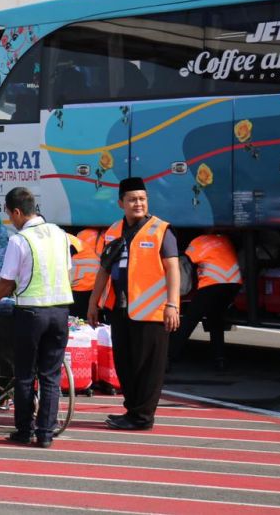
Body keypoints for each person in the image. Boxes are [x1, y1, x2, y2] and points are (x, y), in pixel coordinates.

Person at [0, 187, 73, 448]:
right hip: (60, 311)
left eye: (11, 215)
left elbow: (7, 281)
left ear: (18, 212)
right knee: (50, 375)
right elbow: (67, 271)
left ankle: (24, 430)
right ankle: (45, 433)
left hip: (31, 313)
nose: (12, 220)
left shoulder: (20, 240)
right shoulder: (61, 234)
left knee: (24, 373)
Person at [88, 176, 180, 431]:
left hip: (153, 311)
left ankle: (142, 417)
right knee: (126, 365)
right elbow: (104, 269)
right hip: (121, 309)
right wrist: (93, 303)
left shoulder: (161, 229)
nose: (138, 203)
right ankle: (132, 411)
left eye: (142, 199)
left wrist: (173, 305)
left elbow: (173, 269)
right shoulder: (114, 230)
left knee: (148, 368)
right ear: (121, 203)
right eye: (132, 200)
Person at [170, 233, 241, 369]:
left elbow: (186, 262)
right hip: (233, 282)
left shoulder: (197, 241)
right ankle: (219, 359)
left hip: (211, 283)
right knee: (216, 320)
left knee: (190, 320)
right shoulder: (224, 238)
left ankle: (169, 356)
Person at [69, 227, 105, 320]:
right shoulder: (70, 239)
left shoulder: (77, 236)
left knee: (78, 320)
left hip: (82, 283)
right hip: (93, 281)